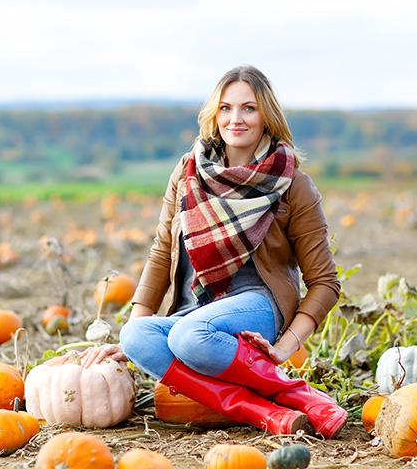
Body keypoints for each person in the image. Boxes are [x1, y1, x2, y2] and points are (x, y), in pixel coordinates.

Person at [81, 65, 347, 438]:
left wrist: (285, 347)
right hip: (194, 311)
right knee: (134, 335)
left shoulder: (294, 186)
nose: (235, 119)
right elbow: (161, 253)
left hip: (256, 306)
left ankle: (299, 395)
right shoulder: (187, 173)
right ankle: (263, 413)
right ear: (213, 114)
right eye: (225, 108)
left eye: (249, 108)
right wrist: (135, 330)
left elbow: (324, 283)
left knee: (189, 335)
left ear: (267, 116)